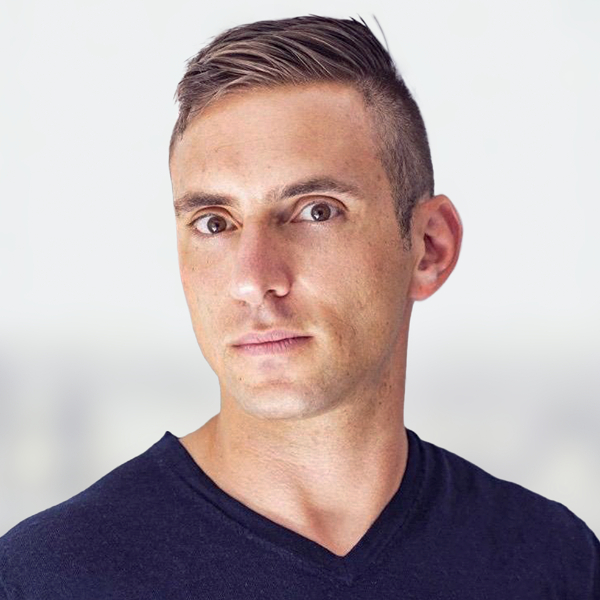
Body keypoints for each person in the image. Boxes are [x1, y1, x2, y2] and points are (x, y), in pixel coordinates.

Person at [0, 14, 598, 599]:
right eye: (214, 223)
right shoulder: (47, 577)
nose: (254, 280)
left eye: (316, 211)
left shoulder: (552, 560)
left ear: (428, 249)